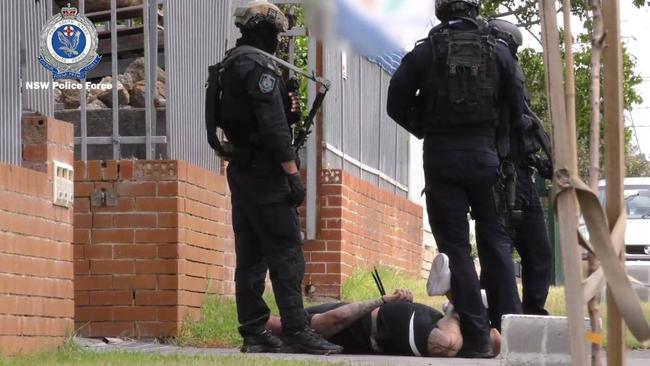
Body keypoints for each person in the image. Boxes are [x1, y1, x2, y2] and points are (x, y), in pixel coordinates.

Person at [387, 0, 525, 358]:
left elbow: (395, 103)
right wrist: (496, 141)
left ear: (440, 11)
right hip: (486, 157)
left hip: (442, 156)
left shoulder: (424, 53)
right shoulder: (498, 52)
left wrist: (425, 128)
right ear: (474, 10)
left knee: (456, 249)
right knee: (496, 243)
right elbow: (518, 106)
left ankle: (478, 337)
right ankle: (515, 333)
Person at [206, 0, 342, 355]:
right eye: (278, 33)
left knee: (250, 256)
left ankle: (254, 332)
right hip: (267, 172)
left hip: (242, 169)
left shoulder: (229, 64)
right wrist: (292, 173)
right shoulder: (259, 66)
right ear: (266, 30)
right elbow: (274, 127)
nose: (280, 40)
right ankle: (297, 330)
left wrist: (289, 104)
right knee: (286, 253)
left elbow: (258, 117)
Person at [486, 18, 553, 316]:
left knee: (538, 252)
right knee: (498, 255)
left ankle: (533, 314)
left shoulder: (513, 77)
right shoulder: (485, 77)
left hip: (522, 174)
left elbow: (531, 127)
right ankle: (494, 315)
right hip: (500, 175)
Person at [266, 288, 502, 357]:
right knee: (462, 344)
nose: (279, 321)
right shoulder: (301, 332)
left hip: (397, 322)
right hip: (391, 328)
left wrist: (389, 300)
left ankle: (458, 305)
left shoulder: (301, 324)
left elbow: (341, 315)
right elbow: (339, 317)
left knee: (461, 342)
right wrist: (384, 300)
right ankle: (456, 305)